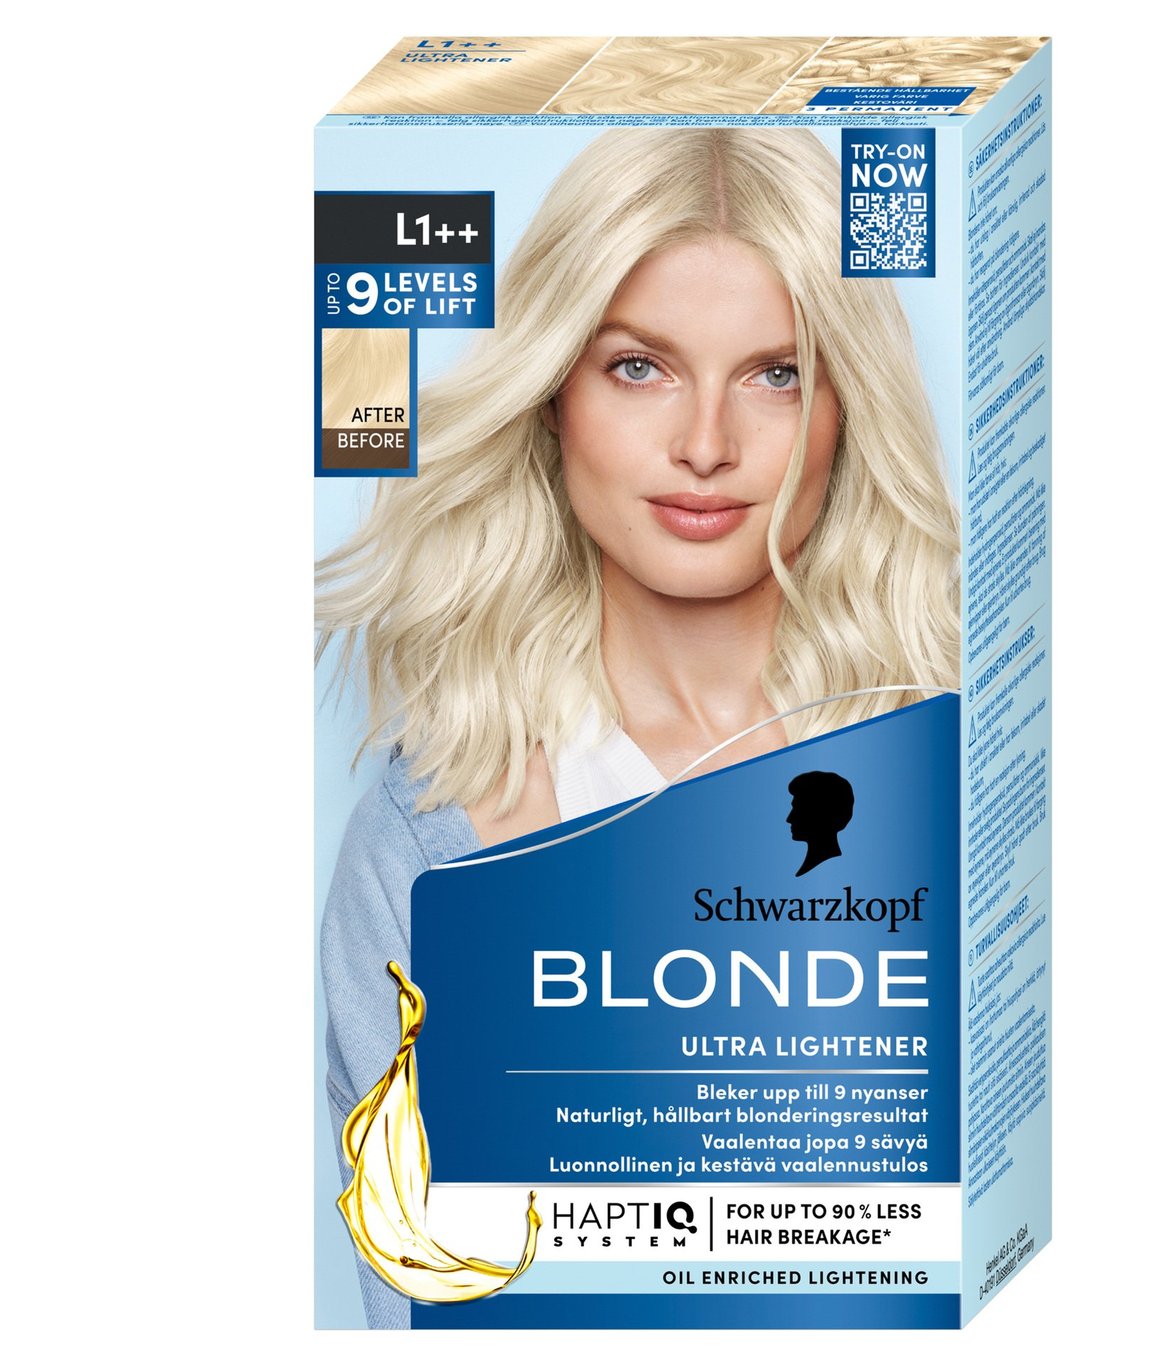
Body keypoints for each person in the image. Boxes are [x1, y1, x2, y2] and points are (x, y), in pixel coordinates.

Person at [316, 126, 960, 1326]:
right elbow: (429, 1312)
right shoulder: (427, 853)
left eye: (777, 374)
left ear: (847, 412)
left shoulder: (960, 793)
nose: (706, 445)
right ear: (551, 399)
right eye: (638, 367)